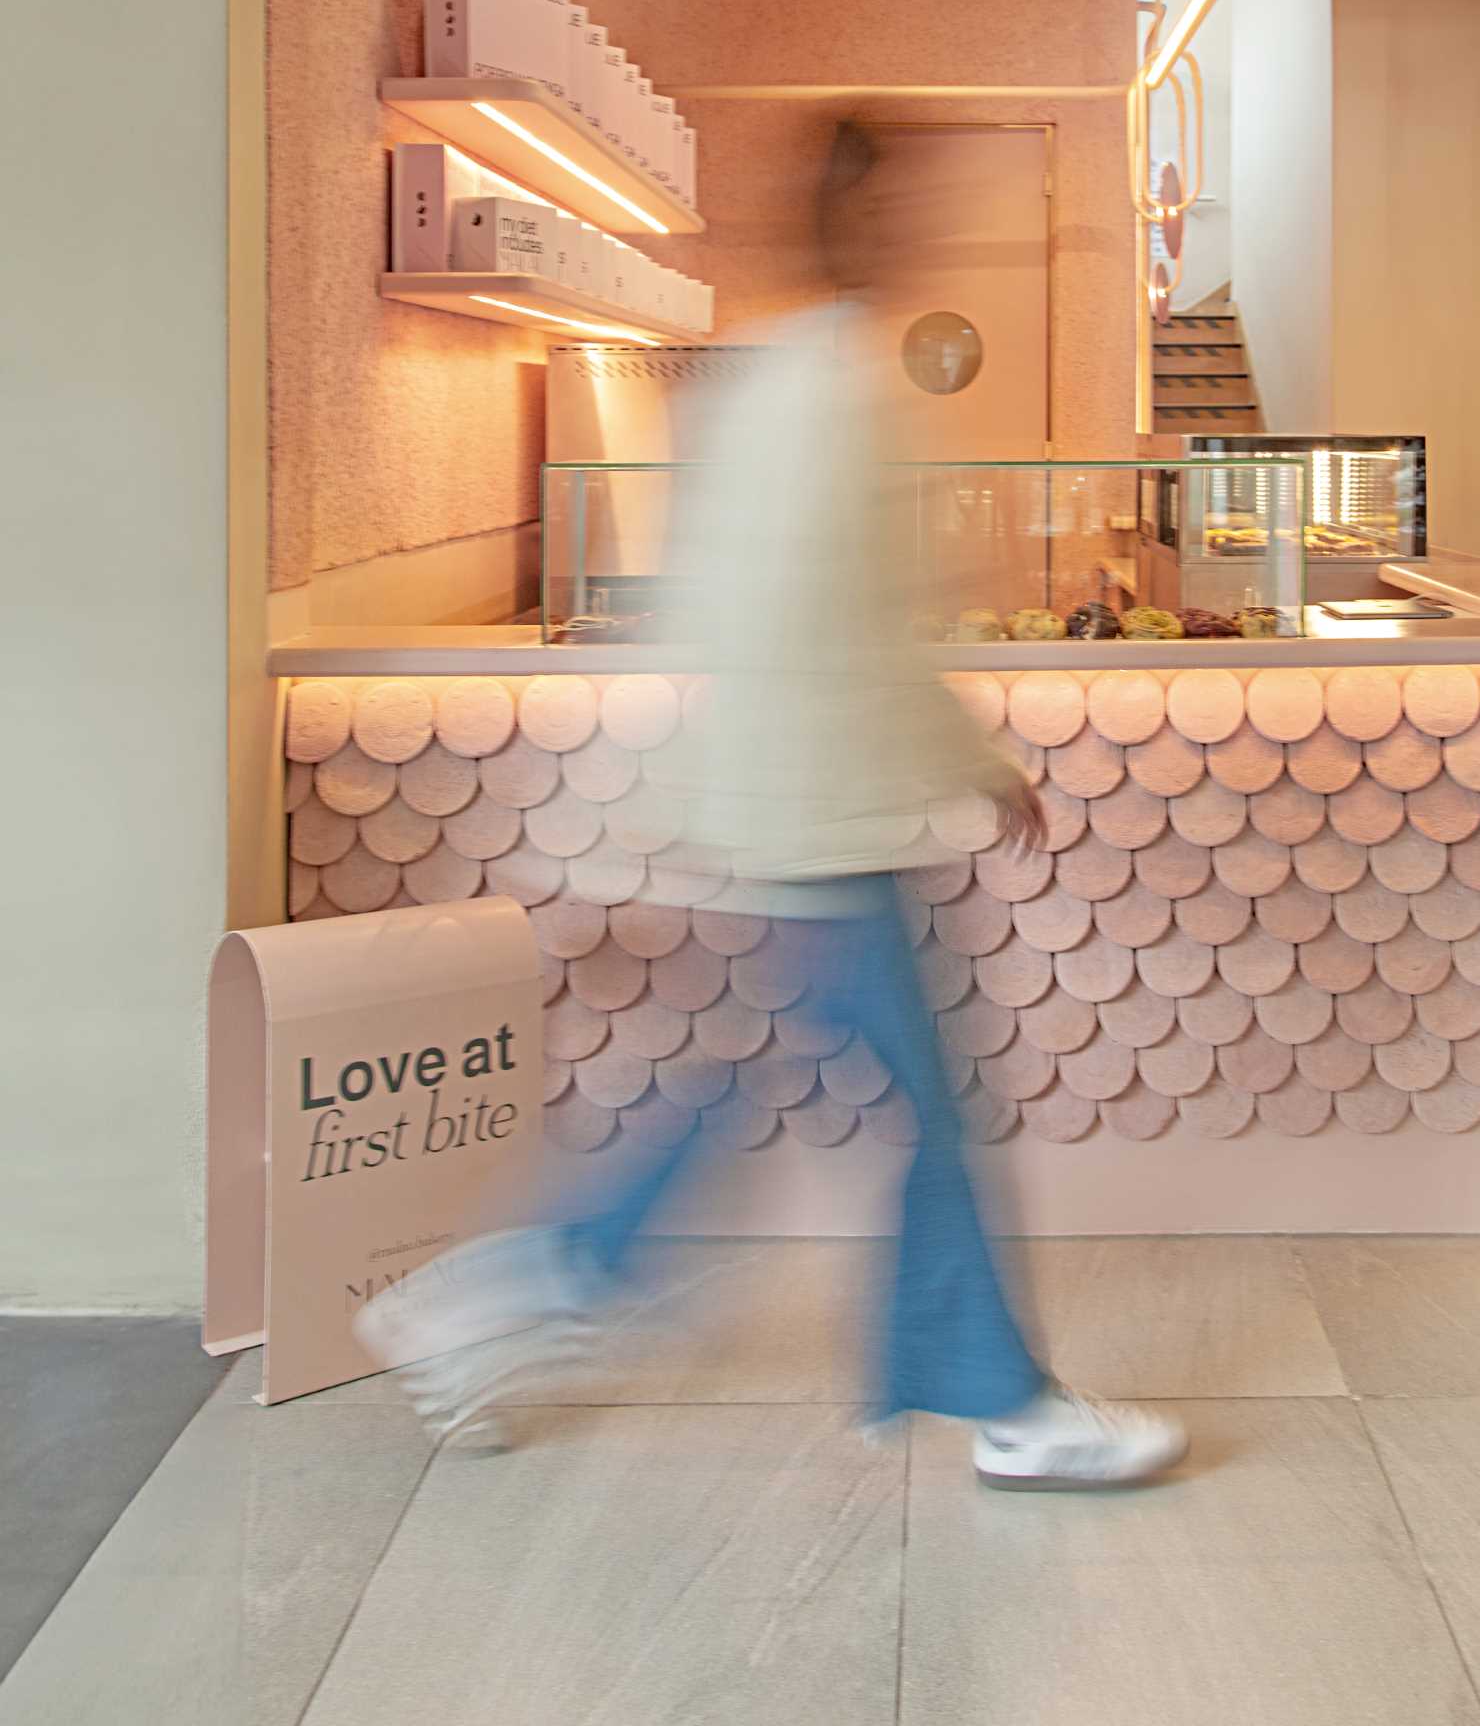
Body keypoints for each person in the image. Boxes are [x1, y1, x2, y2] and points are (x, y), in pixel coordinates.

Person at [357, 123, 1187, 1491]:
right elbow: (842, 629)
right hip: (824, 826)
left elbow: (752, 610)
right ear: (858, 224)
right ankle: (1005, 1403)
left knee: (755, 1092)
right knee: (920, 1109)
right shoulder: (837, 399)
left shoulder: (781, 384)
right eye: (908, 202)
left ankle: (508, 1286)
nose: (924, 227)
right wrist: (971, 766)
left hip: (785, 817)